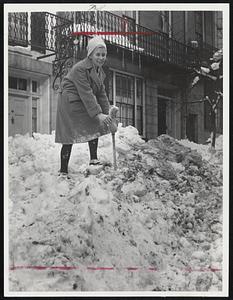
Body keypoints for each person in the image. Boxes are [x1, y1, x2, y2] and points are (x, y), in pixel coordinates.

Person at [55, 36, 116, 175]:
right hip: (69, 101)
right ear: (90, 54)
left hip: (82, 99)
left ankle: (93, 159)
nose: (101, 58)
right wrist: (98, 114)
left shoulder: (100, 72)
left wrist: (108, 116)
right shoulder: (80, 68)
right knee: (68, 134)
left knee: (95, 121)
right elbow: (87, 92)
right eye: (98, 54)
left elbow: (101, 95)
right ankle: (63, 171)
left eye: (103, 55)